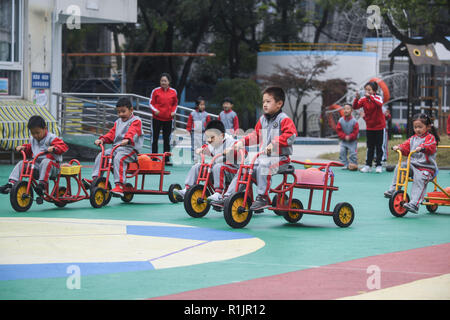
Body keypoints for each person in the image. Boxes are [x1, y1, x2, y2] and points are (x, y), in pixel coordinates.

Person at [213, 86, 297, 211]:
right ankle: (229, 196)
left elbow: (291, 135)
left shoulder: (284, 119)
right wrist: (241, 143)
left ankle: (263, 197)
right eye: (263, 102)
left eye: (268, 101)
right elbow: (255, 135)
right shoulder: (262, 119)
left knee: (263, 165)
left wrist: (274, 144)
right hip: (263, 158)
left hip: (281, 159)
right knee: (244, 169)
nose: (264, 104)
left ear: (279, 104)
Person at [383, 113, 439, 213]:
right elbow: (405, 146)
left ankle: (414, 204)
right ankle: (394, 189)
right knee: (400, 166)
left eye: (420, 127)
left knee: (419, 179)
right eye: (415, 127)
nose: (417, 129)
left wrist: (423, 148)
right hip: (412, 165)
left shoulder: (430, 138)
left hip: (426, 168)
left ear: (428, 127)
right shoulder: (413, 139)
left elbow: (431, 146)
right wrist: (399, 147)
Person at [87, 97, 144, 197]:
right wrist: (102, 139)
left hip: (130, 150)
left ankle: (120, 185)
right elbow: (111, 134)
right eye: (118, 112)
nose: (121, 114)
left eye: (123, 111)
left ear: (131, 110)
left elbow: (133, 131)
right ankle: (96, 179)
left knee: (119, 158)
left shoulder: (136, 121)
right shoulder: (118, 122)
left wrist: (127, 140)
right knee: (102, 155)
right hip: (116, 148)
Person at [0, 115, 68, 195]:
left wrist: (54, 148)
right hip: (36, 166)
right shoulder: (33, 139)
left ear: (45, 129)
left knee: (46, 162)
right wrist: (24, 148)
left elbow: (63, 147)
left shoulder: (51, 138)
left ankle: (42, 185)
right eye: (33, 133)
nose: (35, 135)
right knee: (22, 163)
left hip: (53, 167)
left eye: (37, 132)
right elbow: (30, 149)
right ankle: (11, 184)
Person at [174, 120, 239, 201]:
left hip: (233, 172)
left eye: (212, 137)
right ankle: (188, 189)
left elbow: (243, 152)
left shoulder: (231, 142)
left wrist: (232, 151)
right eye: (207, 137)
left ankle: (218, 193)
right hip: (219, 171)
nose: (209, 140)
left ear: (221, 136)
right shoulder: (213, 143)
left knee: (218, 167)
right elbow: (207, 147)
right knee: (198, 166)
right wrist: (202, 149)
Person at [353, 81, 385, 173]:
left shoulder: (378, 97)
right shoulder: (363, 99)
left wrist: (370, 97)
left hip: (379, 126)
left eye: (369, 90)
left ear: (374, 90)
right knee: (370, 147)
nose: (367, 91)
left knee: (379, 147)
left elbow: (380, 104)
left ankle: (379, 165)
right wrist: (356, 98)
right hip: (370, 127)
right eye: (366, 89)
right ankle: (368, 165)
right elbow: (355, 107)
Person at [149, 73, 178, 165]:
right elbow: (151, 103)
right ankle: (154, 158)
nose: (163, 82)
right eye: (162, 81)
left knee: (167, 139)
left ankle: (166, 159)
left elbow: (175, 104)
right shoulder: (155, 91)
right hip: (157, 118)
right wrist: (155, 111)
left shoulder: (173, 92)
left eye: (165, 81)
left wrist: (174, 112)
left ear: (169, 82)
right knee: (155, 138)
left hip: (168, 119)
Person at [186, 96, 211, 162]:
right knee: (195, 147)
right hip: (195, 133)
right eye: (201, 105)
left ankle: (202, 161)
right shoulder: (192, 114)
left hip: (203, 133)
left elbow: (209, 125)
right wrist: (188, 131)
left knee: (203, 147)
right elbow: (189, 123)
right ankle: (195, 161)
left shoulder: (206, 115)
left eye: (203, 105)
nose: (203, 106)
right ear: (197, 105)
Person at [336, 104, 359, 169]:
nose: (346, 111)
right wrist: (344, 136)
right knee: (342, 151)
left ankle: (353, 164)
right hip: (344, 140)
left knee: (352, 153)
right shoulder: (340, 120)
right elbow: (339, 130)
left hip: (352, 141)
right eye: (344, 109)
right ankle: (344, 164)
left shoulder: (354, 121)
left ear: (351, 110)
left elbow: (356, 132)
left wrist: (350, 136)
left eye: (348, 109)